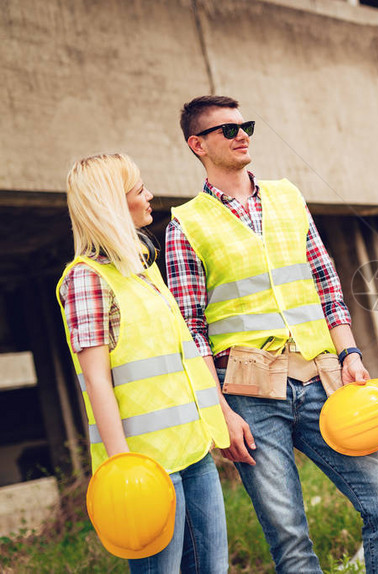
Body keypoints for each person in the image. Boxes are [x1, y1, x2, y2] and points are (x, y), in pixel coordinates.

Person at [165, 95, 378, 573]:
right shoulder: (185, 223)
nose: (242, 135)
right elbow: (190, 332)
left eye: (245, 125)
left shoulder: (288, 197)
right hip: (250, 395)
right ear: (197, 145)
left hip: (322, 378)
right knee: (290, 540)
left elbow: (326, 284)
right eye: (227, 130)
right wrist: (220, 414)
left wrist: (350, 352)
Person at [56, 153, 231, 572]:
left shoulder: (142, 271)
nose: (150, 196)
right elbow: (96, 380)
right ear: (113, 204)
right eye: (139, 190)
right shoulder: (86, 279)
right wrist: (123, 473)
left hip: (193, 452)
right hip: (145, 470)